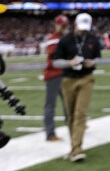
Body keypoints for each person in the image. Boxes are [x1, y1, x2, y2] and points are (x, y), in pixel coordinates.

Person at [52, 12, 101, 163]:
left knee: (80, 114)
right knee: (71, 115)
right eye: (81, 28)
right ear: (75, 25)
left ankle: (77, 149)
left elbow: (98, 57)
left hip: (86, 79)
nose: (83, 31)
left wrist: (92, 62)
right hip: (68, 80)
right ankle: (74, 148)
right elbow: (55, 62)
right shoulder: (65, 40)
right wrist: (69, 63)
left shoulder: (93, 39)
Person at [42, 14, 70, 142]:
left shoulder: (65, 38)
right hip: (54, 75)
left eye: (65, 25)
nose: (63, 28)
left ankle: (72, 126)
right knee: (50, 105)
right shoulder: (53, 39)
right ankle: (50, 133)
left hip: (64, 75)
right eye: (62, 25)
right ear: (56, 25)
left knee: (69, 104)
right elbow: (55, 58)